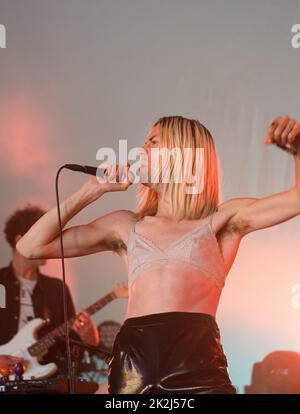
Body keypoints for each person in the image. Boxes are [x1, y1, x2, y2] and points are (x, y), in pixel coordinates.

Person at [16, 115, 300, 394]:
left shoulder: (222, 220)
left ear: (183, 154)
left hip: (197, 364)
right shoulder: (125, 226)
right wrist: (92, 191)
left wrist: (298, 147)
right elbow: (31, 247)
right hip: (133, 367)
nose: (141, 150)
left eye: (153, 141)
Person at [0, 205, 99, 375]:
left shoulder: (57, 289)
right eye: (45, 238)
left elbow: (70, 351)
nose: (50, 245)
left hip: (45, 381)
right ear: (19, 240)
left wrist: (89, 341)